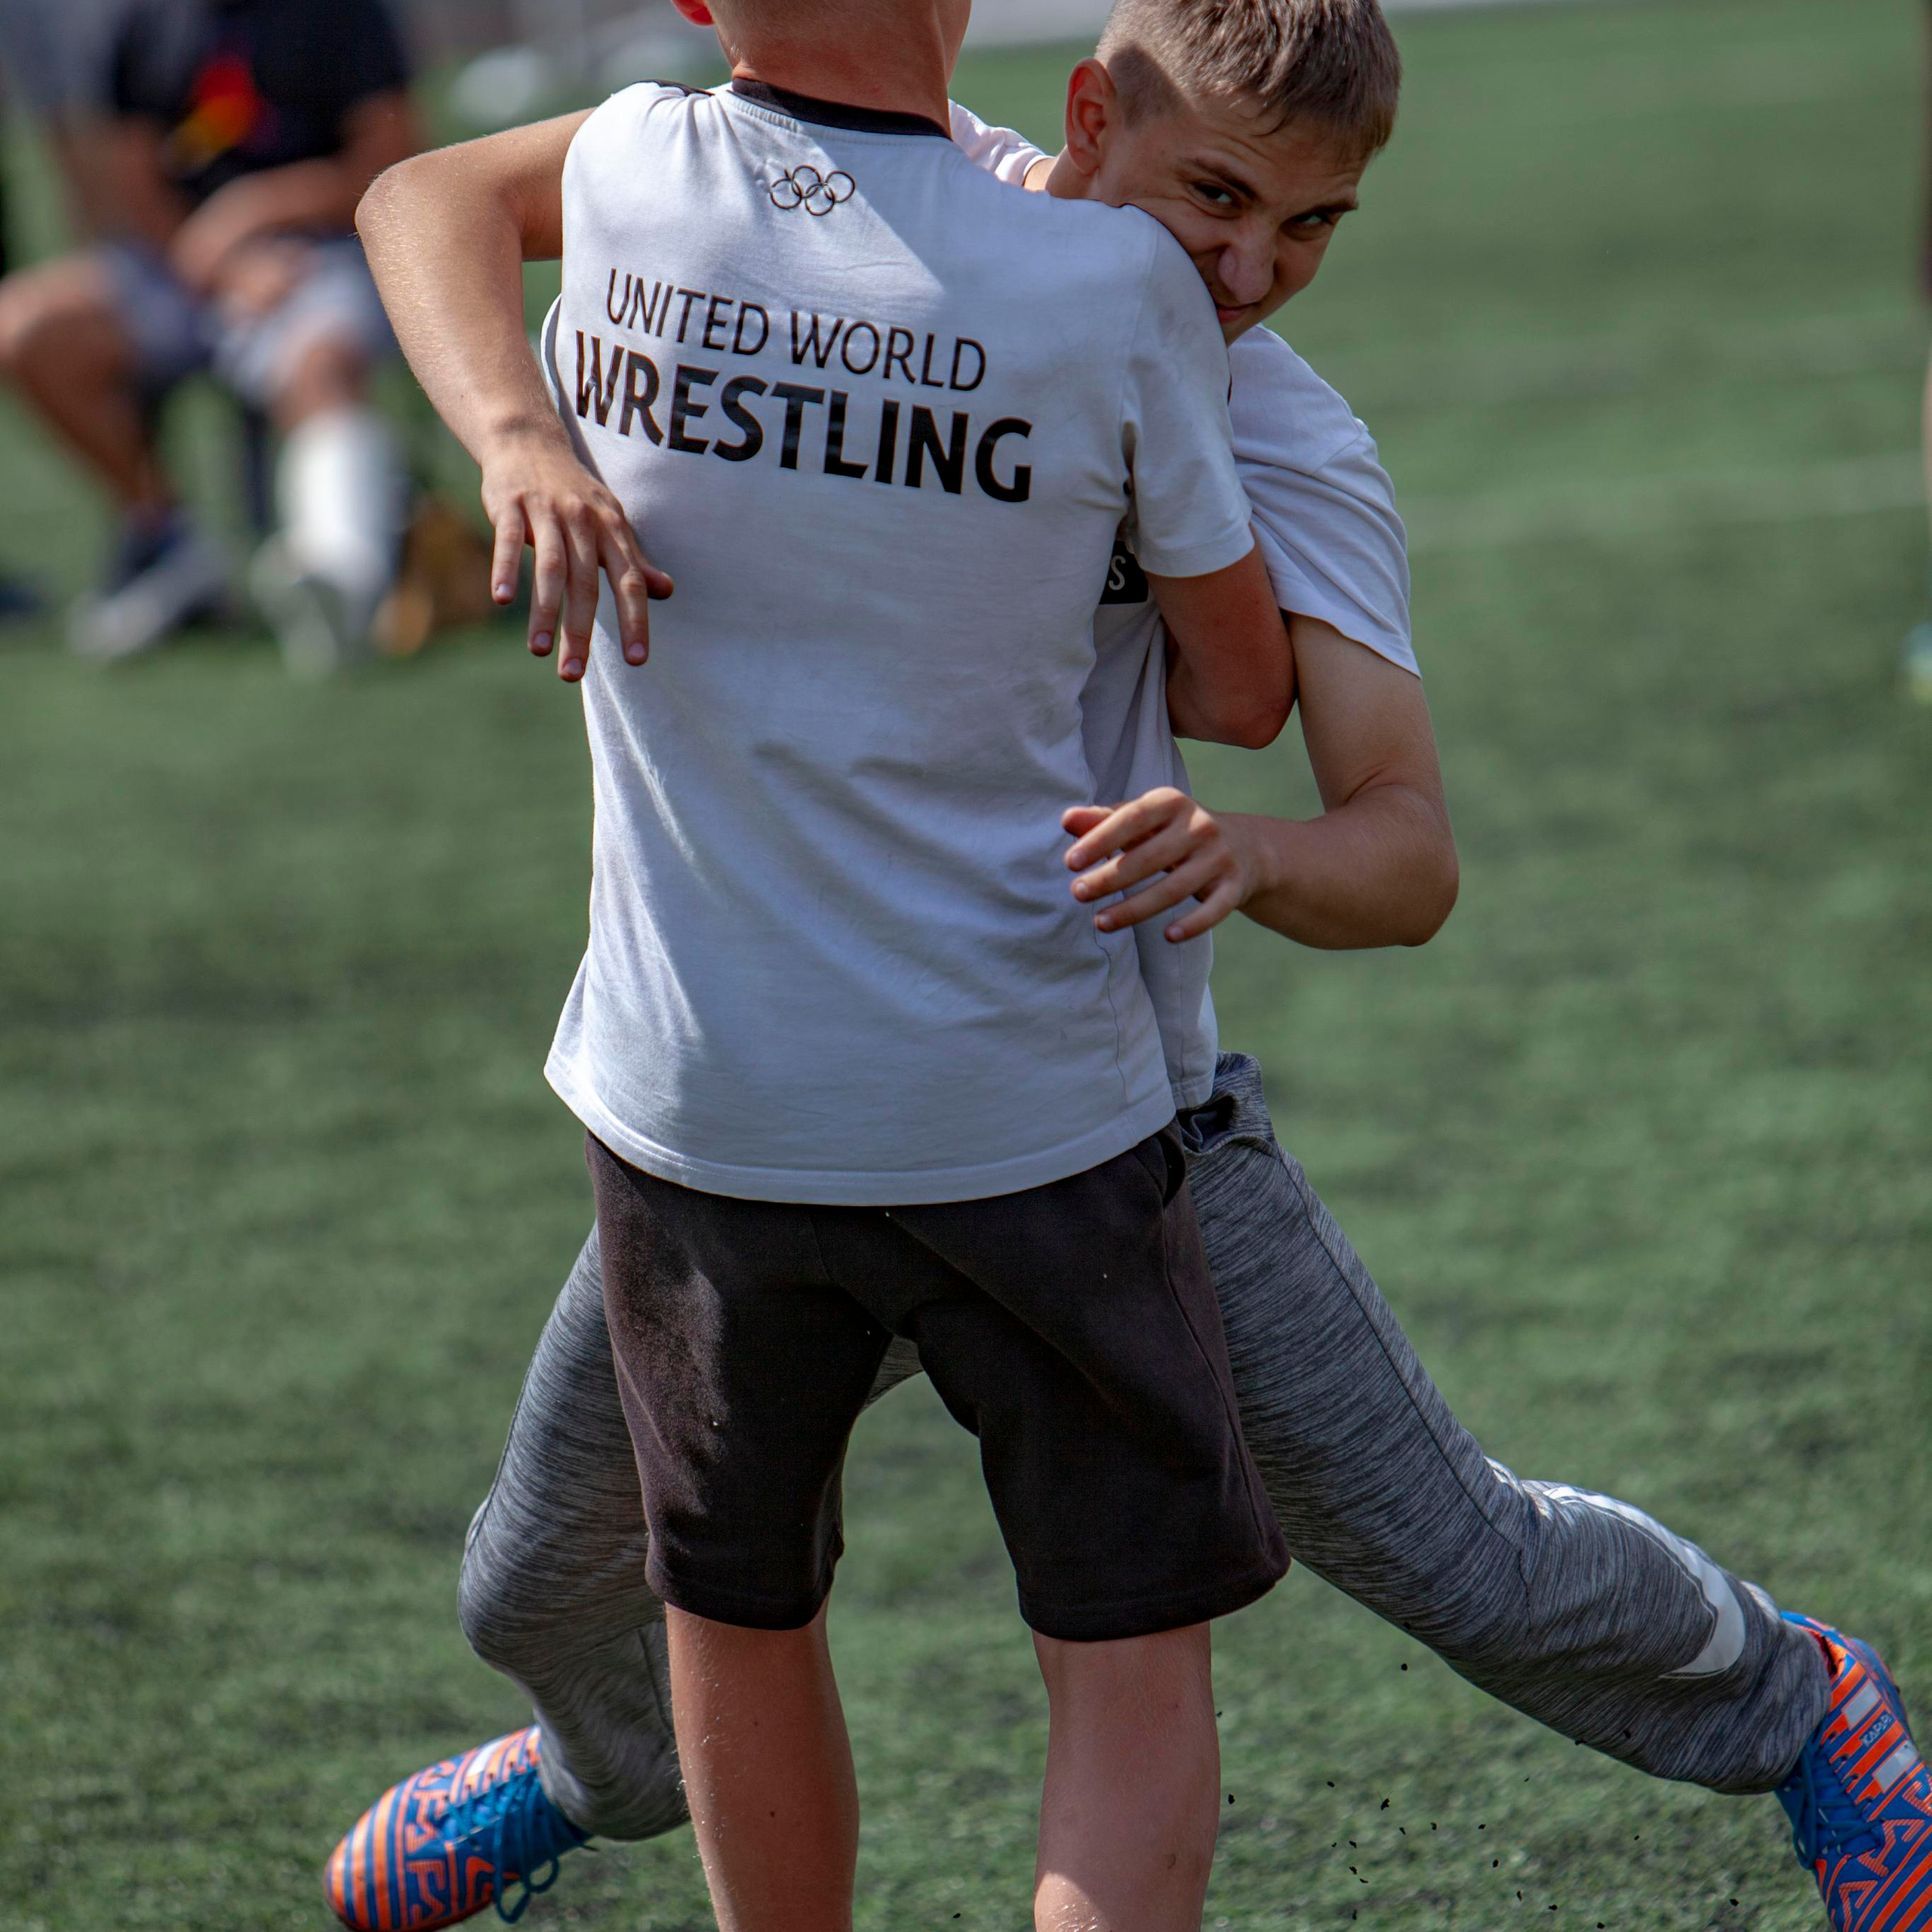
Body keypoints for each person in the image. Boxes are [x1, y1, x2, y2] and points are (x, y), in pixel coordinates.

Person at [327, 5, 1932, 1931]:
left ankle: (1796, 1695)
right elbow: (432, 196)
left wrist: (1248, 851)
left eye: (1312, 227)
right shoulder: (930, 198)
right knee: (529, 1579)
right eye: (1215, 196)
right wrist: (516, 427)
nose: (1250, 270)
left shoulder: (1288, 429)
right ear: (1090, 118)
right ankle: (609, 1770)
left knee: (1454, 1552)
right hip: (777, 1102)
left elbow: (1402, 846)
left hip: (1102, 1133)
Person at [355, 1, 1306, 1928]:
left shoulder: (628, 176)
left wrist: (524, 435)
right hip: (1027, 1095)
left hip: (708, 1097)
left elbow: (411, 195)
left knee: (735, 1606)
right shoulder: (1107, 276)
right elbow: (1236, 681)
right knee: (1121, 1644)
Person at [0, 0, 420, 669]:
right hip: (179, 263)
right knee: (24, 325)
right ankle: (166, 536)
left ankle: (339, 572)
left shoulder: (346, 13)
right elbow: (130, 179)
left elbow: (393, 157)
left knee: (320, 360)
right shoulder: (142, 19)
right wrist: (216, 258)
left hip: (315, 251)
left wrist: (256, 214)